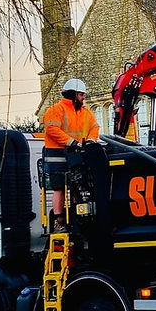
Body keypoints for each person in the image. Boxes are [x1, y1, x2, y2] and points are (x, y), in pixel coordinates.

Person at [42, 78, 99, 232]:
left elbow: (95, 128)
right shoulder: (55, 110)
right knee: (59, 188)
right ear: (73, 95)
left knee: (78, 186)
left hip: (76, 154)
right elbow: (52, 129)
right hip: (58, 156)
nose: (84, 97)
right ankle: (59, 221)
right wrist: (71, 142)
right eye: (81, 94)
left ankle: (78, 218)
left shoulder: (86, 113)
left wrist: (91, 142)